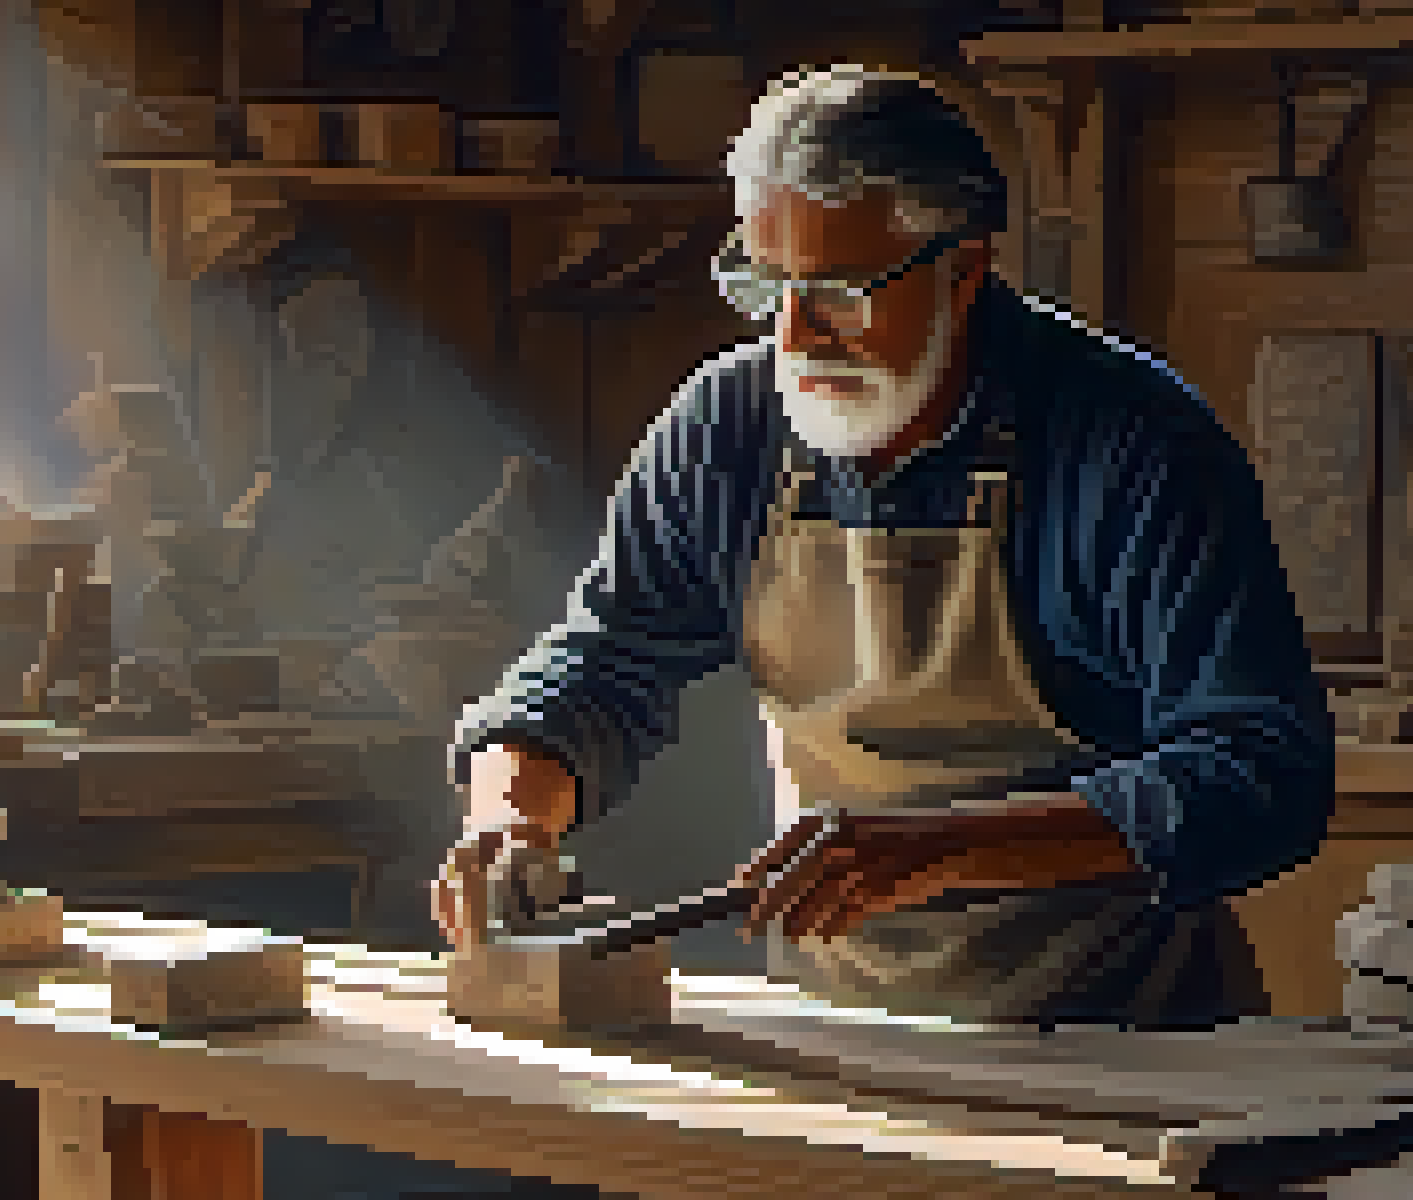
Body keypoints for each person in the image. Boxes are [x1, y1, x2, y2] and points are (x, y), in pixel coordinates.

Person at [433, 65, 1336, 1027]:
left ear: (966, 268)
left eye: (840, 292)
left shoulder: (1131, 443)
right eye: (765, 285)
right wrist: (508, 814)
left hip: (1117, 1029)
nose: (796, 334)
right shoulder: (727, 425)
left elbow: (1263, 770)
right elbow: (605, 661)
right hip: (837, 1019)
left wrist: (938, 849)